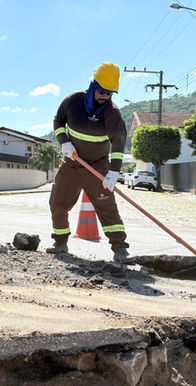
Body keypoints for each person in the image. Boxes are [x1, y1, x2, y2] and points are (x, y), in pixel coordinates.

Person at [46, 62, 132, 263]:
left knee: (107, 209)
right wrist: (65, 143)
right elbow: (58, 122)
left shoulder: (112, 112)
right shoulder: (72, 101)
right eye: (101, 91)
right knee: (57, 203)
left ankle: (120, 249)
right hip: (71, 164)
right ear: (93, 85)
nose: (105, 96)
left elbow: (118, 143)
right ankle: (60, 242)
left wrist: (113, 172)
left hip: (97, 167)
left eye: (110, 93)